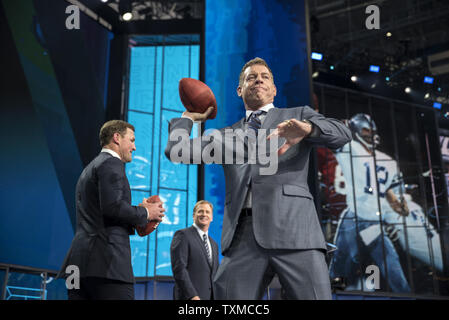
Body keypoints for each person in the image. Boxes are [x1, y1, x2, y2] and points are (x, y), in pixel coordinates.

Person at [165, 57, 352, 299]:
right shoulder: (224, 136)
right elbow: (177, 152)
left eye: (265, 76)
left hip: (296, 231)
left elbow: (343, 134)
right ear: (240, 90)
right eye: (251, 77)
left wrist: (308, 129)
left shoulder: (297, 115)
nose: (259, 80)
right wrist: (188, 118)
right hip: (244, 236)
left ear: (274, 89)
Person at [57, 120, 166, 300]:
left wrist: (135, 211)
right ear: (116, 138)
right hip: (106, 266)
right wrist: (147, 213)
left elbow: (103, 210)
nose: (134, 147)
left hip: (77, 266)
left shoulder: (89, 168)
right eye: (131, 140)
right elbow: (113, 207)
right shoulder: (111, 164)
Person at [329, 113, 411, 292]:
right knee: (339, 266)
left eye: (372, 130)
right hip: (352, 217)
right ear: (356, 131)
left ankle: (406, 295)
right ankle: (330, 294)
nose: (370, 134)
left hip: (371, 222)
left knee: (392, 267)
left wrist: (399, 206)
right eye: (366, 130)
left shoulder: (387, 161)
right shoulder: (350, 148)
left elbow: (390, 193)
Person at [170, 200, 219, 300]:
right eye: (200, 211)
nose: (204, 214)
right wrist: (192, 295)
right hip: (189, 298)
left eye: (207, 212)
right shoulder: (182, 235)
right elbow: (179, 269)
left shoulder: (214, 244)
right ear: (193, 215)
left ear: (212, 218)